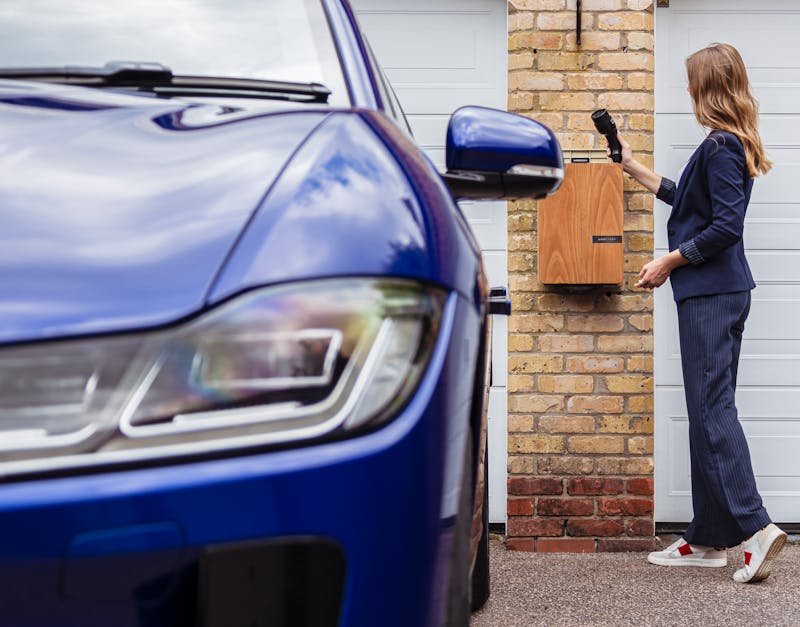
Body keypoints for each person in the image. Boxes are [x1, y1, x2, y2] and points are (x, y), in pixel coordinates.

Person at [615, 42, 787, 583]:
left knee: (712, 411)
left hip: (712, 294)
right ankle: (709, 538)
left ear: (707, 87)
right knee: (707, 410)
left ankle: (756, 528)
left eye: (692, 81)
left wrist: (668, 260)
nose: (686, 89)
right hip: (719, 293)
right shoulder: (724, 146)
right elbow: (690, 202)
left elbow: (725, 227)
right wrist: (633, 167)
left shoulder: (720, 145)